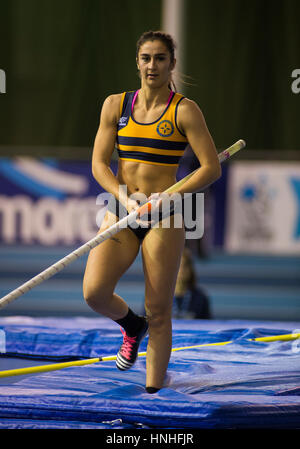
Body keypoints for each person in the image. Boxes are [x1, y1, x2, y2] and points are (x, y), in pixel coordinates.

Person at [83, 30, 221, 393]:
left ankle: (153, 393)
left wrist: (168, 196)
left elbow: (211, 168)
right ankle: (131, 325)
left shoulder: (185, 110)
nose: (152, 65)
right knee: (94, 293)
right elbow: (99, 164)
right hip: (122, 209)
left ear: (172, 63)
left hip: (166, 214)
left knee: (159, 310)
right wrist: (123, 196)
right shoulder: (116, 105)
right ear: (138, 62)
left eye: (160, 58)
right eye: (146, 58)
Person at [173, 247, 212, 319]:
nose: (181, 270)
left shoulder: (201, 298)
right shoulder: (158, 296)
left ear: (191, 269)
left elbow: (208, 325)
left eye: (184, 266)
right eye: (177, 265)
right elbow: (148, 324)